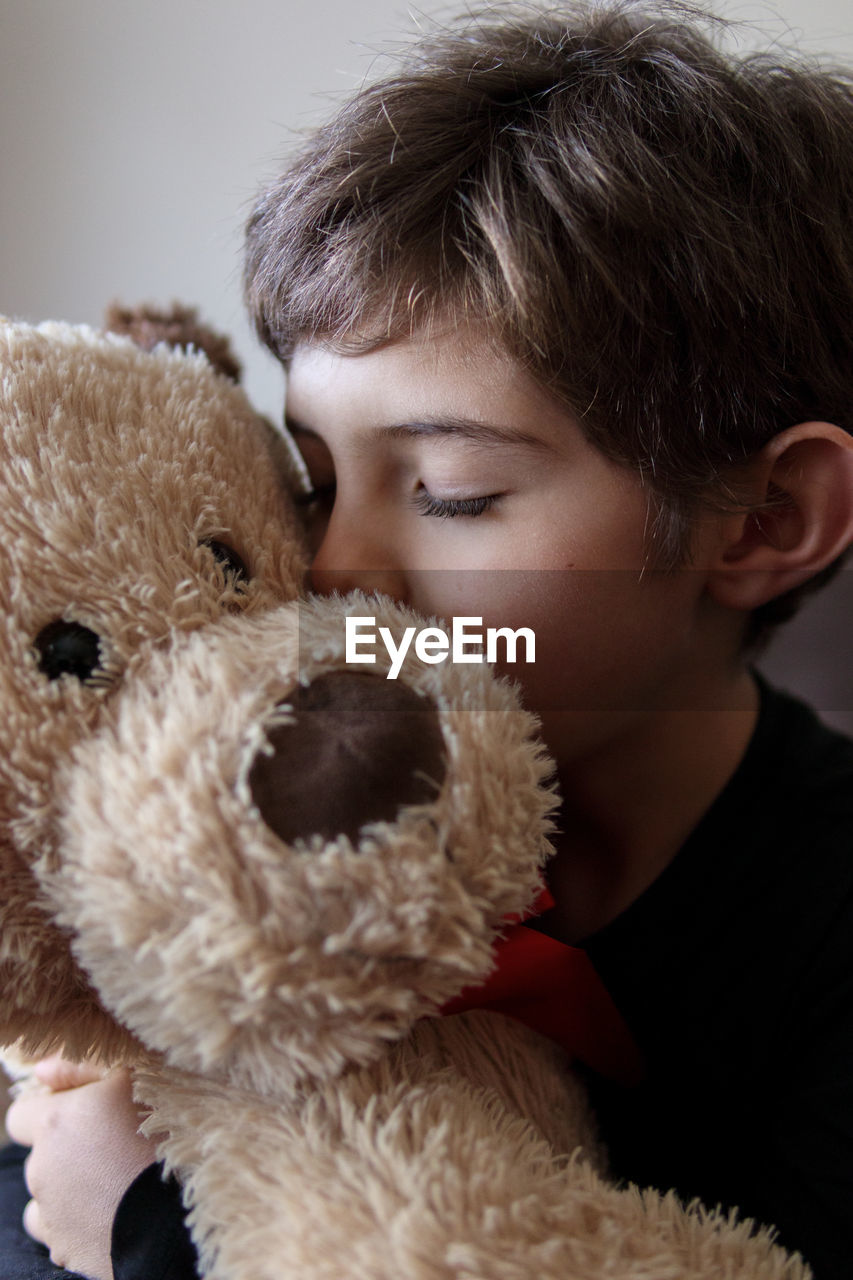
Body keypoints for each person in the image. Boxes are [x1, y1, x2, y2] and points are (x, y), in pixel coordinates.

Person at [4, 2, 853, 1277]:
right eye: (311, 479)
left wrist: (149, 1228)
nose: (338, 567)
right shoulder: (228, 817)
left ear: (765, 519)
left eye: (451, 490)